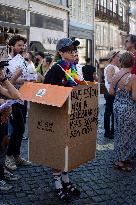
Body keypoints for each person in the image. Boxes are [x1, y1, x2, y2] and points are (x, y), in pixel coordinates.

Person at [44, 38, 80, 202]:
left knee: (68, 149)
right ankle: (57, 182)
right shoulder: (56, 69)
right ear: (60, 52)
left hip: (70, 114)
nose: (74, 52)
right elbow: (47, 92)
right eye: (69, 50)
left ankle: (65, 179)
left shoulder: (71, 67)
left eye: (74, 49)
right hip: (58, 116)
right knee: (58, 150)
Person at [5, 35, 31, 171]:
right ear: (12, 46)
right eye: (19, 45)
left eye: (23, 45)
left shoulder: (22, 60)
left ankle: (16, 155)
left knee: (21, 128)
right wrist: (18, 76)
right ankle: (8, 157)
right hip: (11, 98)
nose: (22, 48)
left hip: (23, 96)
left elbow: (22, 78)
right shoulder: (6, 61)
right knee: (18, 127)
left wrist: (29, 78)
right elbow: (6, 83)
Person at [109, 52, 136, 171]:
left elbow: (111, 92)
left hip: (117, 106)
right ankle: (121, 161)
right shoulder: (133, 77)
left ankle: (122, 156)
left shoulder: (116, 75)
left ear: (121, 62)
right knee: (128, 134)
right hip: (128, 108)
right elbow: (135, 97)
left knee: (119, 132)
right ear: (132, 62)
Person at [0, 67, 20, 191]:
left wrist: (4, 79)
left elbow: (16, 95)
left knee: (3, 146)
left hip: (2, 120)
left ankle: (1, 171)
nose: (1, 71)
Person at [104, 51, 120, 139]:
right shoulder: (111, 67)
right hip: (110, 92)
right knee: (109, 112)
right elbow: (110, 80)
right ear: (113, 57)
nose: (119, 57)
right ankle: (107, 132)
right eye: (118, 56)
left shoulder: (115, 67)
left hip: (113, 92)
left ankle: (112, 131)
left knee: (112, 113)